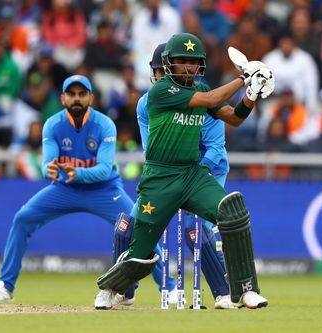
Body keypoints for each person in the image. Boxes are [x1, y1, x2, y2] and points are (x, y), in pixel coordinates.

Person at [94, 32, 274, 310]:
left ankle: (246, 290)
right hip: (160, 178)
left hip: (192, 174)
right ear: (169, 64)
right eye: (182, 62)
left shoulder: (200, 89)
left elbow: (234, 118)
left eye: (193, 62)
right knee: (140, 252)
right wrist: (243, 78)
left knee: (232, 212)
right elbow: (211, 98)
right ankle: (110, 289)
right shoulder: (161, 91)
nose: (189, 67)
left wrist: (251, 95)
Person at [0, 75, 134, 301]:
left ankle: (166, 287)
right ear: (63, 99)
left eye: (82, 94)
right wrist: (49, 170)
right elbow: (47, 164)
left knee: (137, 226)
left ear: (91, 98)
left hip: (104, 189)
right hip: (65, 188)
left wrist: (77, 172)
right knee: (23, 218)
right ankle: (5, 285)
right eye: (71, 94)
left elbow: (103, 169)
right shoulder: (53, 124)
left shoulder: (104, 124)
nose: (77, 99)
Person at [113, 43, 235, 309]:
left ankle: (223, 294)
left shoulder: (203, 97)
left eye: (163, 71)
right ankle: (123, 290)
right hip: (168, 175)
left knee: (193, 227)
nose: (160, 77)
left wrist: (194, 174)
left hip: (208, 171)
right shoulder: (147, 103)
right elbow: (151, 150)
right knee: (128, 225)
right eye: (157, 72)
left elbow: (215, 147)